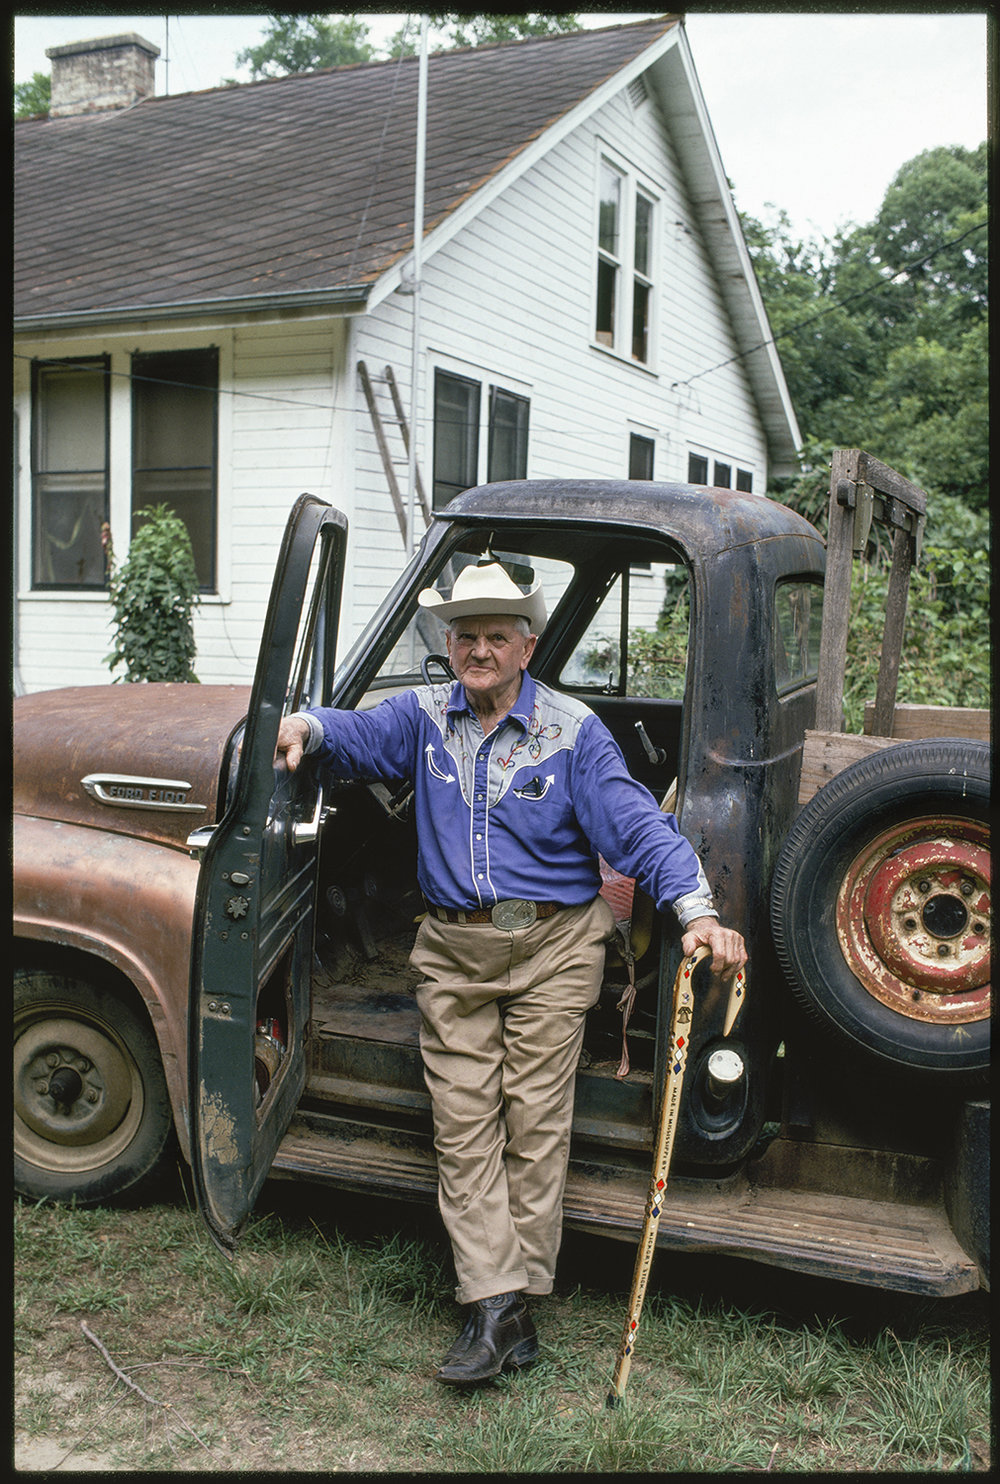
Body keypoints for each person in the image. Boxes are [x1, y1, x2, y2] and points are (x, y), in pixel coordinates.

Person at [276, 556, 746, 1386]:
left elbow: (637, 828)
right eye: (466, 635)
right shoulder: (423, 717)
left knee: (533, 1124)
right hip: (455, 952)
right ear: (450, 643)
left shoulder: (573, 732)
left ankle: (508, 1304)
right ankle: (500, 1309)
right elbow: (353, 735)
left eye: (497, 635)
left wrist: (695, 909)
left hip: (554, 950)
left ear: (527, 647)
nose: (480, 649)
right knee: (462, 1125)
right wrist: (308, 728)